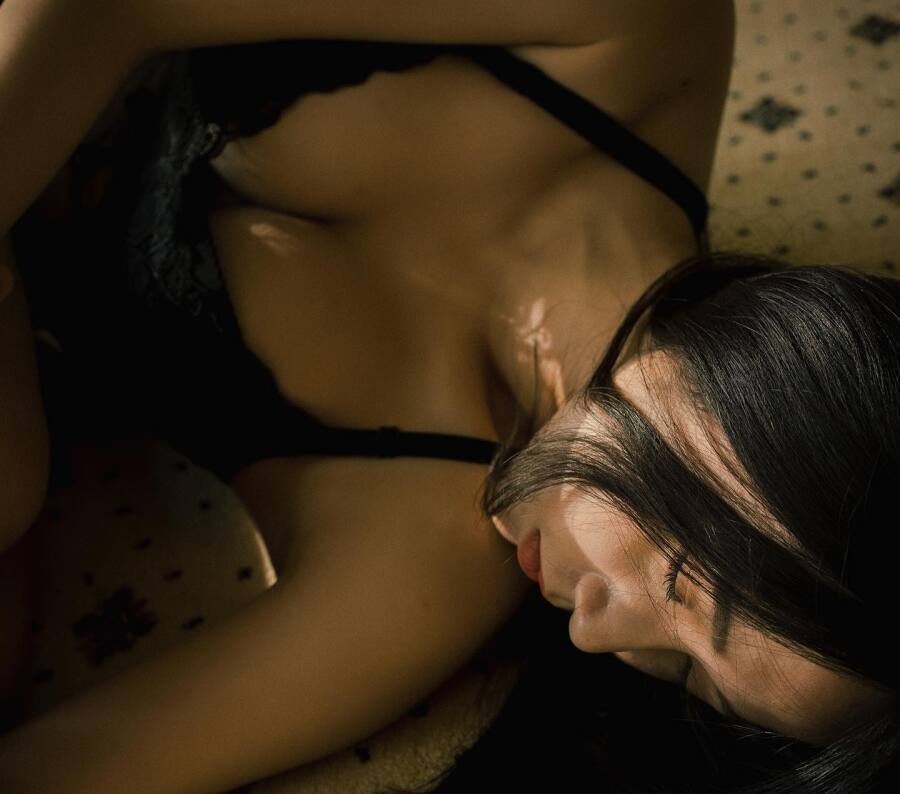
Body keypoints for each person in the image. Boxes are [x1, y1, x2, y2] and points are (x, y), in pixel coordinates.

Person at [0, 0, 896, 790]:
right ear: (762, 400)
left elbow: (59, 771)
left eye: (687, 676)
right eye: (684, 587)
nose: (591, 637)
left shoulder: (422, 567)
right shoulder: (635, 31)